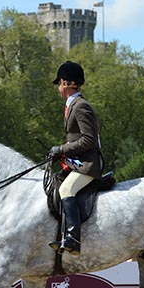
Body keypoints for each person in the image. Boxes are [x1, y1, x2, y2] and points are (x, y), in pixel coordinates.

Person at [47, 60, 104, 256]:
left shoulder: (80, 106)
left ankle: (73, 238)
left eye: (59, 85)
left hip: (87, 165)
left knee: (66, 189)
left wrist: (62, 149)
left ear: (64, 82)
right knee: (55, 186)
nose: (58, 89)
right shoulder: (72, 105)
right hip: (76, 163)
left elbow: (89, 139)